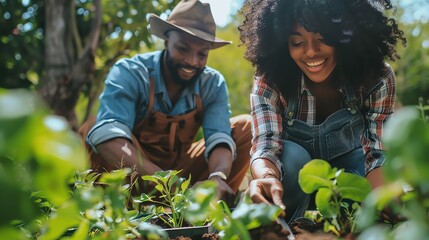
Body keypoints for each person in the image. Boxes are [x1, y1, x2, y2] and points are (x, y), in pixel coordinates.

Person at [238, 0, 406, 223]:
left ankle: (352, 223)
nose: (310, 51)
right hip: (290, 181)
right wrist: (266, 177)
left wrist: (385, 197)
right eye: (297, 42)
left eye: (324, 38)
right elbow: (266, 146)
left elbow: (377, 153)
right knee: (293, 157)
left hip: (343, 180)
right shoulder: (270, 81)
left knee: (360, 166)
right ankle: (283, 224)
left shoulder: (375, 77)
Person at [79, 0, 252, 204]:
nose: (192, 61)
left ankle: (210, 210)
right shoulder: (130, 72)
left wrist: (217, 176)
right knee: (96, 130)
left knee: (246, 127)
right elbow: (108, 136)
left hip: (182, 173)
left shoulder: (212, 83)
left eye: (202, 54)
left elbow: (219, 138)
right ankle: (112, 209)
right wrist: (169, 184)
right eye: (183, 49)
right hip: (132, 170)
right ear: (166, 41)